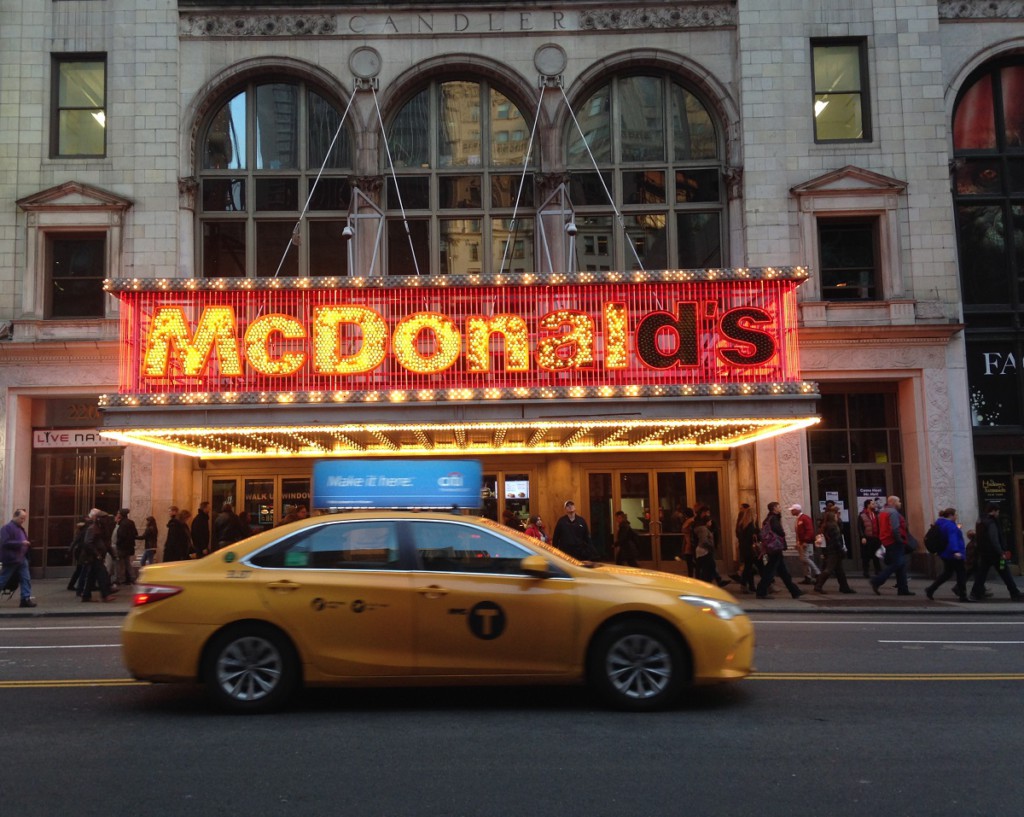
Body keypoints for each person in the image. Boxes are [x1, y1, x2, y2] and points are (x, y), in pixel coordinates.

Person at [970, 503, 1022, 602]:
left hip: (985, 553)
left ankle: (975, 593)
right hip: (995, 555)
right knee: (1005, 572)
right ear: (993, 511)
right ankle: (1014, 593)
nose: (998, 514)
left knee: (982, 574)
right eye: (997, 511)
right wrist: (1001, 552)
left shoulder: (981, 521)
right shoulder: (991, 523)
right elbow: (994, 539)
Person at [755, 502, 804, 599]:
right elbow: (779, 531)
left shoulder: (769, 518)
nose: (780, 508)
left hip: (773, 547)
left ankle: (795, 591)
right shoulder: (773, 519)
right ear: (774, 508)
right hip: (775, 547)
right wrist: (782, 533)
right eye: (778, 507)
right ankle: (761, 591)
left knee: (783, 571)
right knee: (770, 571)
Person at [869, 495, 914, 596]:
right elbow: (895, 528)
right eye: (899, 501)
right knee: (897, 563)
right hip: (894, 541)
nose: (900, 503)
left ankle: (903, 588)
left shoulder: (882, 513)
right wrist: (900, 540)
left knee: (901, 565)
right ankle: (877, 580)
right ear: (893, 502)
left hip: (886, 540)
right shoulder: (893, 513)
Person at [925, 508, 971, 602]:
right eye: (955, 515)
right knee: (961, 573)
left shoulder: (940, 523)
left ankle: (931, 589)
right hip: (953, 553)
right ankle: (963, 595)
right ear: (951, 515)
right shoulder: (950, 526)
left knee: (947, 573)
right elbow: (952, 539)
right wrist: (956, 551)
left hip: (945, 553)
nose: (956, 516)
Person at [813, 503, 856, 594]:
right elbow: (836, 540)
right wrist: (841, 550)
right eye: (837, 514)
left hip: (830, 550)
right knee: (829, 569)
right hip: (834, 551)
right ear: (834, 516)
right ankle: (818, 585)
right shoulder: (833, 526)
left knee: (839, 570)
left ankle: (844, 587)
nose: (838, 516)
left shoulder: (826, 525)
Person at [0, 508, 36, 608]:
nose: (23, 520)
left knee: (26, 579)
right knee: (3, 579)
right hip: (11, 559)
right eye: (21, 518)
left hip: (21, 558)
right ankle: (25, 598)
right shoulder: (7, 528)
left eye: (24, 518)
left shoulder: (20, 528)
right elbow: (5, 543)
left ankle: (25, 598)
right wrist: (21, 543)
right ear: (15, 516)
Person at [80, 508, 117, 603]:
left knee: (92, 576)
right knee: (102, 575)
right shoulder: (93, 528)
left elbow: (106, 544)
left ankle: (86, 596)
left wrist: (113, 555)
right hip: (94, 557)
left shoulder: (101, 529)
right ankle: (105, 595)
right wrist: (97, 554)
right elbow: (88, 543)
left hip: (97, 556)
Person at [789, 503, 820, 585]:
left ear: (797, 510)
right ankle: (808, 577)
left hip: (805, 543)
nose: (791, 511)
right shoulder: (799, 519)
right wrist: (798, 542)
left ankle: (818, 573)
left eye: (792, 510)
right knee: (804, 560)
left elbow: (810, 531)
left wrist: (806, 541)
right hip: (801, 543)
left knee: (805, 559)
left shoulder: (804, 518)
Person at [732, 503, 760, 593]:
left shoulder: (742, 524)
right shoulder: (751, 526)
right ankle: (744, 585)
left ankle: (750, 586)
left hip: (744, 548)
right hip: (750, 549)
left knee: (749, 567)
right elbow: (751, 538)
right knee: (749, 568)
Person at [113, 508, 139, 586]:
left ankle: (121, 579)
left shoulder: (122, 523)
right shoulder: (131, 522)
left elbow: (121, 536)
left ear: (121, 514)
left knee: (121, 564)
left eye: (118, 513)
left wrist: (117, 543)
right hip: (129, 546)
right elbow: (135, 533)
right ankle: (132, 578)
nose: (117, 514)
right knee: (128, 563)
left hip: (122, 547)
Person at [858, 499, 882, 578]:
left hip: (876, 537)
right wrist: (862, 537)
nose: (874, 505)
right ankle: (866, 572)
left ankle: (878, 571)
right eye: (872, 504)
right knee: (866, 556)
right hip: (867, 538)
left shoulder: (876, 514)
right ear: (868, 505)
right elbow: (860, 527)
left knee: (876, 555)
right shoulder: (862, 514)